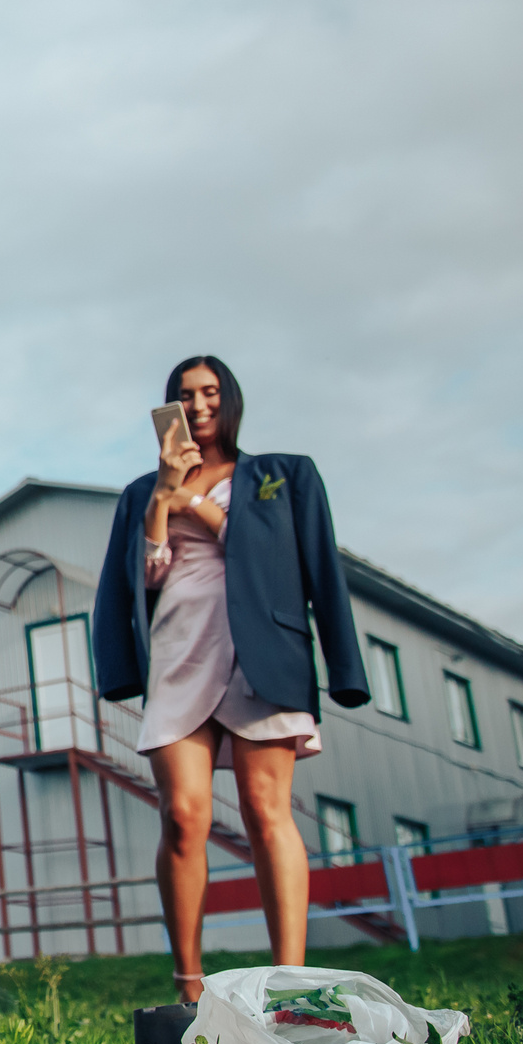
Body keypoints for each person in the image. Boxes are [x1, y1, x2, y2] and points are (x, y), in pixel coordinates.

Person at [90, 358, 367, 1002]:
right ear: (171, 409)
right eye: (186, 396)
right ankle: (188, 986)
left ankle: (291, 982)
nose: (200, 404)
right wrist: (165, 497)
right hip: (181, 650)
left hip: (263, 651)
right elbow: (136, 581)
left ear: (230, 399)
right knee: (183, 816)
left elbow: (303, 563)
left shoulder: (282, 475)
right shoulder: (142, 490)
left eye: (211, 392)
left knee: (266, 811)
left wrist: (205, 511)